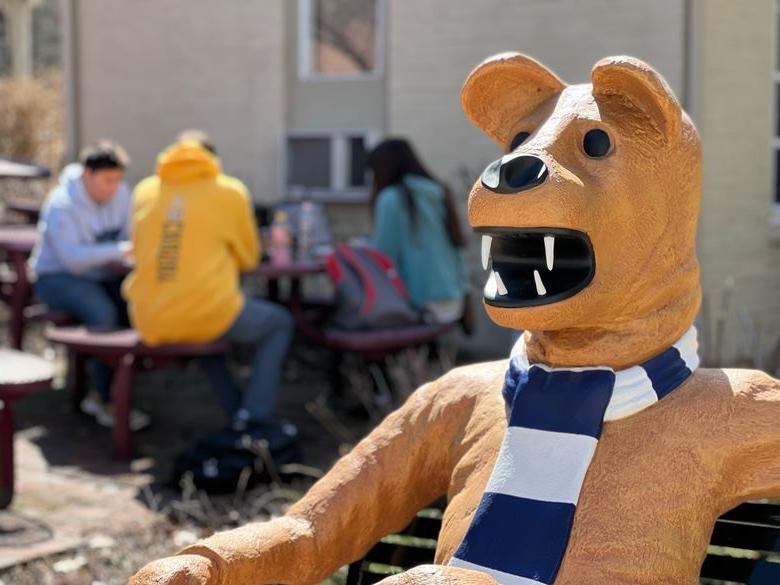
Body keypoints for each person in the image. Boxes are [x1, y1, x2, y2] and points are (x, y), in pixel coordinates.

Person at [123, 135, 294, 433]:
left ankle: (236, 414)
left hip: (149, 317)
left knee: (208, 336)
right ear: (212, 162)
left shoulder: (145, 190)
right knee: (279, 323)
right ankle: (256, 415)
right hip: (208, 312)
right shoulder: (228, 190)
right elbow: (249, 258)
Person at [29, 141, 149, 430]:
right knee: (103, 314)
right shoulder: (62, 204)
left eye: (117, 179)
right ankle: (105, 398)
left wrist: (123, 251)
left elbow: (132, 237)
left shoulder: (122, 195)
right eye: (107, 180)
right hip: (56, 277)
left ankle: (124, 387)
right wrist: (119, 251)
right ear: (87, 174)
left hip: (103, 274)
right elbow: (73, 260)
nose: (113, 186)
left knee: (137, 305)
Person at [367, 138, 469, 325]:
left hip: (420, 306)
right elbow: (458, 250)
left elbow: (382, 258)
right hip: (454, 302)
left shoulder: (392, 199)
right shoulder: (439, 191)